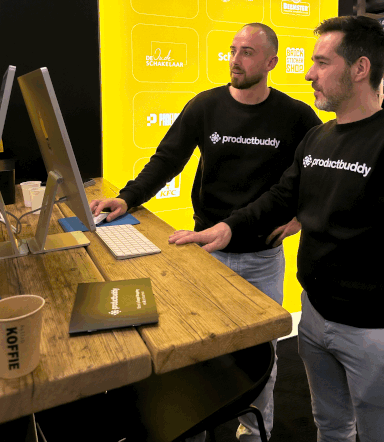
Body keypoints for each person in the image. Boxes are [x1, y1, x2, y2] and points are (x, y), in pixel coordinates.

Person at [170, 16, 384, 442]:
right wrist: (228, 229)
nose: (309, 74)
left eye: (322, 63)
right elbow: (281, 198)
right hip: (314, 320)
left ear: (360, 68)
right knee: (331, 428)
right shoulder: (318, 139)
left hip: (376, 335)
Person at [90, 22, 321, 442]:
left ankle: (253, 434)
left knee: (260, 359)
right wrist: (127, 198)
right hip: (206, 256)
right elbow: (167, 160)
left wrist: (300, 220)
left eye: (247, 52)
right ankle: (194, 431)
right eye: (233, 50)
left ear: (271, 62)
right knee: (197, 358)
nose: (235, 60)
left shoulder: (295, 116)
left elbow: (319, 175)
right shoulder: (206, 106)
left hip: (261, 259)